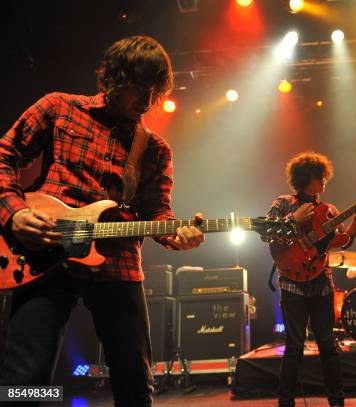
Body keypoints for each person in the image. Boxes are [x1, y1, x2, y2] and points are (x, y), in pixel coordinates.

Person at [0, 36, 205, 406]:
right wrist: (15, 213)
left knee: (135, 386)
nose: (147, 99)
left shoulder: (154, 148)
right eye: (139, 86)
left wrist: (177, 234)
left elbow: (157, 211)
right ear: (114, 77)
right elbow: (4, 154)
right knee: (25, 380)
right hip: (43, 254)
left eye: (155, 90)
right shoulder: (59, 107)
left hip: (118, 263)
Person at [268, 152, 356, 407]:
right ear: (304, 178)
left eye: (324, 176)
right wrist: (294, 220)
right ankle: (286, 402)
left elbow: (344, 240)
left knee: (327, 344)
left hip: (322, 283)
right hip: (292, 283)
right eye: (317, 177)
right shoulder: (283, 203)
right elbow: (267, 233)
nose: (323, 181)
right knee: (294, 346)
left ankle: (337, 401)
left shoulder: (330, 211)